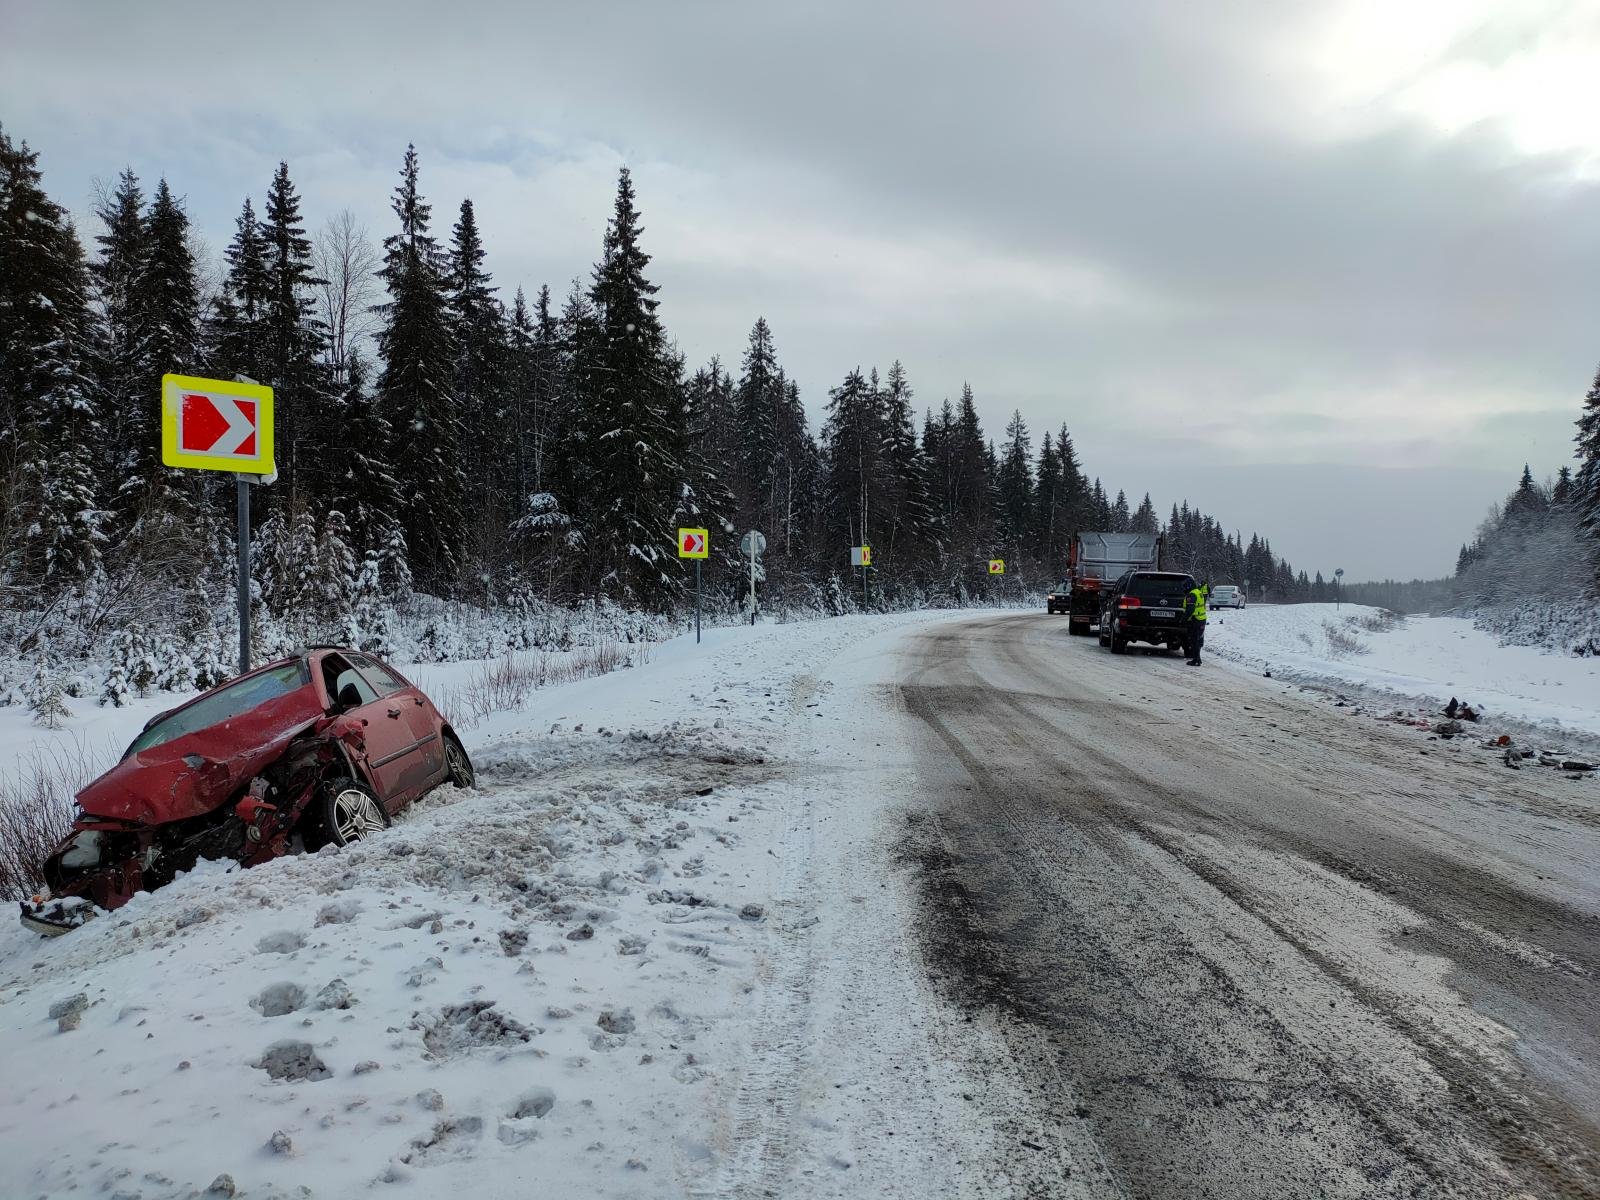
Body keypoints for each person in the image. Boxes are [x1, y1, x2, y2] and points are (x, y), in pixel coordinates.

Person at [1183, 579, 1209, 666]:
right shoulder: (1198, 592)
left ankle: (1196, 660)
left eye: (1185, 587)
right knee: (1197, 640)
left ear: (1188, 586)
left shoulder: (1192, 594)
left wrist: (1184, 619)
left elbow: (1190, 609)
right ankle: (1198, 658)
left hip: (1195, 620)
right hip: (1201, 619)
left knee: (1194, 640)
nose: (1184, 589)